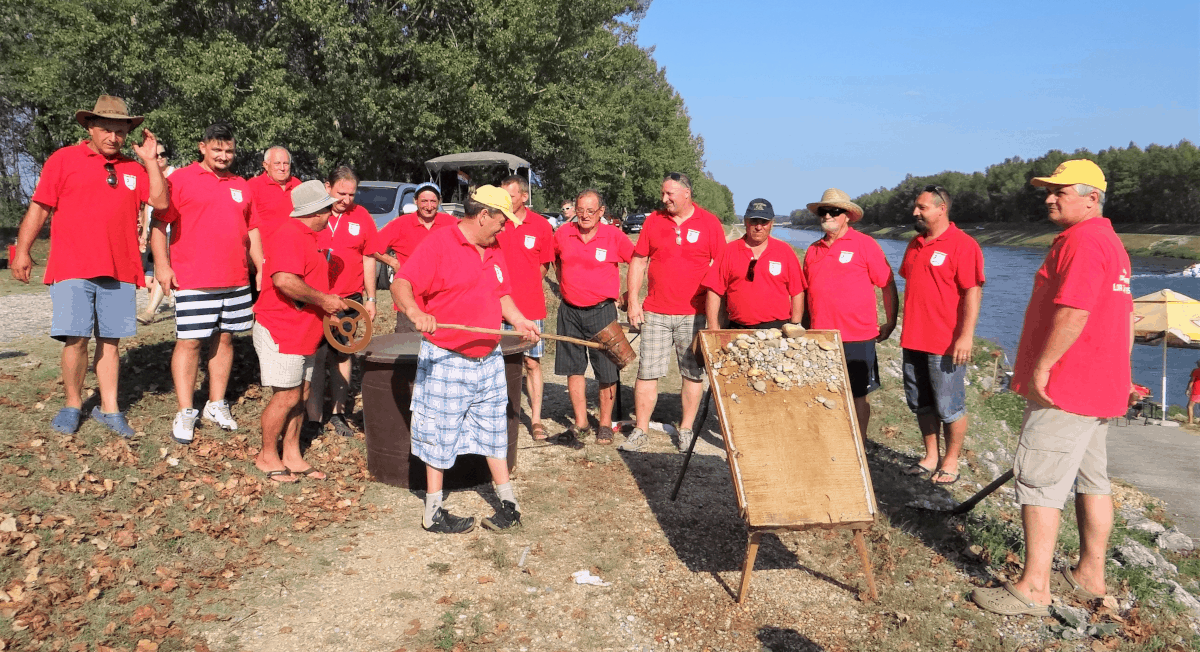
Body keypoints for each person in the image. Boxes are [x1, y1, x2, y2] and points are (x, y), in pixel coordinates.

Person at [971, 160, 1133, 616]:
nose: (1049, 198)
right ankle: (1089, 575)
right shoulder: (1111, 243)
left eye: (1060, 191)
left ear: (1091, 197)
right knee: (1092, 481)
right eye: (1048, 190)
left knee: (1039, 480)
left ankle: (1034, 588)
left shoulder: (1083, 241)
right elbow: (1122, 317)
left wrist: (1043, 369)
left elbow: (1074, 310)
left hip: (1067, 386)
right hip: (1099, 386)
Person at [9, 95, 167, 437]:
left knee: (111, 342)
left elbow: (160, 201)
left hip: (121, 267)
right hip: (73, 265)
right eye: (106, 129)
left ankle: (109, 409)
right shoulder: (64, 159)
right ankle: (71, 404)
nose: (113, 137)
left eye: (120, 131)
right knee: (76, 338)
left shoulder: (133, 170)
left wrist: (151, 162)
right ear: (90, 128)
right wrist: (22, 250)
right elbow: (39, 207)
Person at [393, 186, 540, 533]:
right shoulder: (439, 244)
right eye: (502, 222)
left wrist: (518, 319)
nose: (504, 229)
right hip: (447, 357)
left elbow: (501, 292)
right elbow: (402, 283)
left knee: (493, 431)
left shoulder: (493, 247)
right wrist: (416, 312)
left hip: (487, 358)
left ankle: (509, 506)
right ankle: (433, 513)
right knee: (438, 435)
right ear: (483, 215)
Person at [151, 124, 254, 445]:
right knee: (190, 343)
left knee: (225, 340)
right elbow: (158, 224)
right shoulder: (179, 180)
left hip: (235, 279)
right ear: (202, 147)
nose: (223, 156)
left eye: (229, 151)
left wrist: (259, 268)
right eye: (217, 149)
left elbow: (252, 231)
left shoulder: (241, 185)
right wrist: (162, 266)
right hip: (193, 279)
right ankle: (185, 410)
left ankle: (216, 403)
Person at [251, 180, 350, 483]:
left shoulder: (308, 237)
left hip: (304, 331)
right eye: (328, 209)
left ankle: (291, 454)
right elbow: (284, 280)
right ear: (314, 211)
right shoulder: (289, 235)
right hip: (281, 328)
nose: (331, 215)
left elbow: (308, 283)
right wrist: (325, 301)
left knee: (301, 394)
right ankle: (267, 456)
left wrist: (327, 310)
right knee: (286, 396)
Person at [625, 172, 725, 452]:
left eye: (669, 193)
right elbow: (638, 260)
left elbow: (721, 267)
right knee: (647, 372)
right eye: (663, 193)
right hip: (656, 312)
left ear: (686, 193)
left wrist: (716, 314)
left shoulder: (710, 223)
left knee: (692, 374)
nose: (664, 198)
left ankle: (685, 429)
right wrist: (634, 302)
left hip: (695, 314)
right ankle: (641, 429)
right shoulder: (653, 221)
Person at [898, 185, 985, 484]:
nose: (915, 212)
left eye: (921, 207)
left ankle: (951, 461)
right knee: (921, 402)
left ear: (941, 209)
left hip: (945, 342)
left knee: (950, 406)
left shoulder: (963, 244)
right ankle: (931, 456)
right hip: (913, 338)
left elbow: (973, 291)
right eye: (916, 207)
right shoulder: (914, 244)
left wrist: (966, 336)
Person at [803, 188, 898, 439]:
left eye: (834, 211)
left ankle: (859, 445)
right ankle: (832, 442)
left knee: (857, 394)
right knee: (824, 391)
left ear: (847, 215)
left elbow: (887, 283)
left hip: (858, 336)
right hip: (820, 337)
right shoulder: (813, 250)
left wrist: (891, 320)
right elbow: (804, 293)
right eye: (824, 211)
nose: (828, 216)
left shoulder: (865, 245)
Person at [552, 189, 634, 447]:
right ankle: (582, 422)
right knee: (573, 367)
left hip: (602, 311)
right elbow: (556, 262)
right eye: (580, 210)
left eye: (590, 211)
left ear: (601, 212)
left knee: (607, 369)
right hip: (569, 311)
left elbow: (638, 262)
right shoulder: (563, 233)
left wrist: (629, 294)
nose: (584, 215)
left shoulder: (614, 236)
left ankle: (606, 424)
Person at [302, 166, 379, 440]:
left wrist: (370, 297)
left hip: (350, 300)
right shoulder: (314, 214)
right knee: (316, 356)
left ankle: (337, 412)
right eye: (340, 192)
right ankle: (312, 417)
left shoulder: (362, 216)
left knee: (342, 354)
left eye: (351, 194)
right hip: (316, 298)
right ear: (327, 187)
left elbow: (369, 257)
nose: (346, 199)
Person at [497, 175, 555, 441]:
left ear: (523, 196)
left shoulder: (541, 226)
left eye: (509, 196)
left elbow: (545, 265)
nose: (504, 201)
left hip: (530, 305)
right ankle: (499, 415)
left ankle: (535, 419)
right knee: (496, 361)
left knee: (531, 362)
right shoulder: (495, 221)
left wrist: (526, 284)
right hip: (495, 306)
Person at [704, 197, 805, 330]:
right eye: (754, 221)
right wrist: (713, 327)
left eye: (764, 222)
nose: (758, 227)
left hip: (777, 329)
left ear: (771, 224)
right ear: (746, 221)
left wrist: (795, 325)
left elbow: (797, 291)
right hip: (738, 328)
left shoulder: (785, 251)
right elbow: (714, 291)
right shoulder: (729, 251)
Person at [366, 182, 456, 333]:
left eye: (433, 201)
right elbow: (371, 246)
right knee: (408, 346)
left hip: (443, 301)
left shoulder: (451, 223)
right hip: (410, 301)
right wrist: (393, 262)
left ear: (439, 202)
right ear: (415, 201)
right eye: (424, 201)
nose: (429, 206)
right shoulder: (402, 224)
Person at [247, 146, 301, 291]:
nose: (282, 168)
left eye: (286, 163)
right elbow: (247, 225)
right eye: (277, 163)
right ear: (266, 165)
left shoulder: (298, 186)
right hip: (263, 262)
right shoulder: (253, 186)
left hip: (293, 261)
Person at [137, 141, 176, 325]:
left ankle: (150, 311)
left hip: (169, 230)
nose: (159, 158)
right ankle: (171, 292)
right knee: (147, 277)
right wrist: (144, 232)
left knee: (161, 269)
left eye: (163, 154)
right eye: (156, 154)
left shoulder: (175, 175)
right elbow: (146, 208)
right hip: (153, 231)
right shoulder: (149, 176)